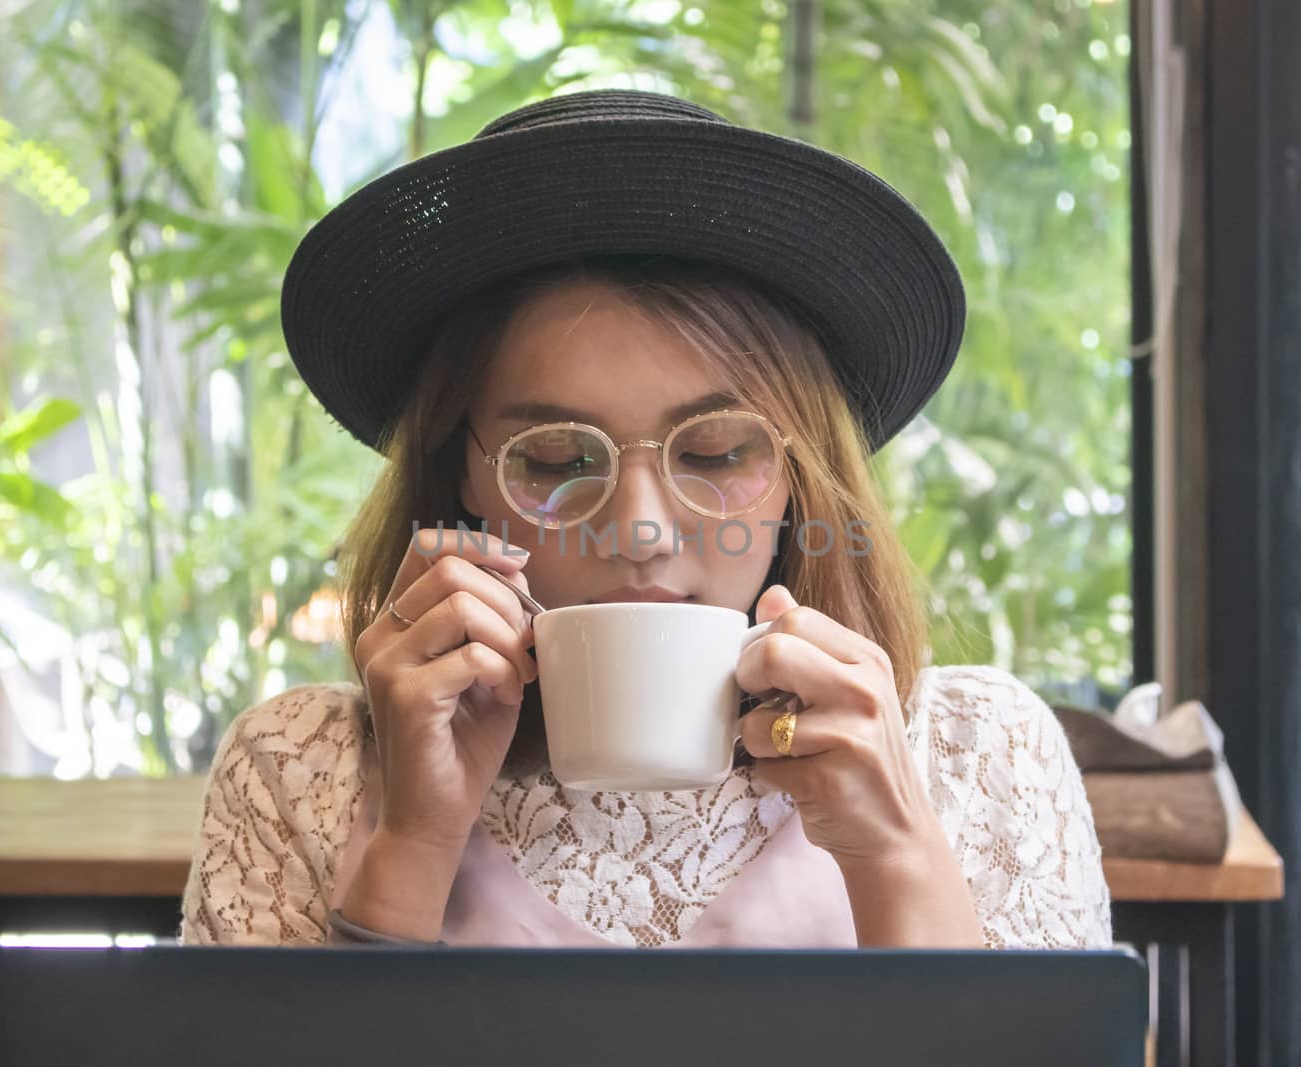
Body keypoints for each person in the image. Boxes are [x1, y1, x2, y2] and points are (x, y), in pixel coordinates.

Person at [179, 89, 1112, 951]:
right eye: (554, 457)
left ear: (800, 472)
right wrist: (414, 841)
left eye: (714, 452)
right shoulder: (303, 770)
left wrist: (899, 857)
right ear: (457, 470)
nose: (641, 528)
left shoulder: (980, 757)